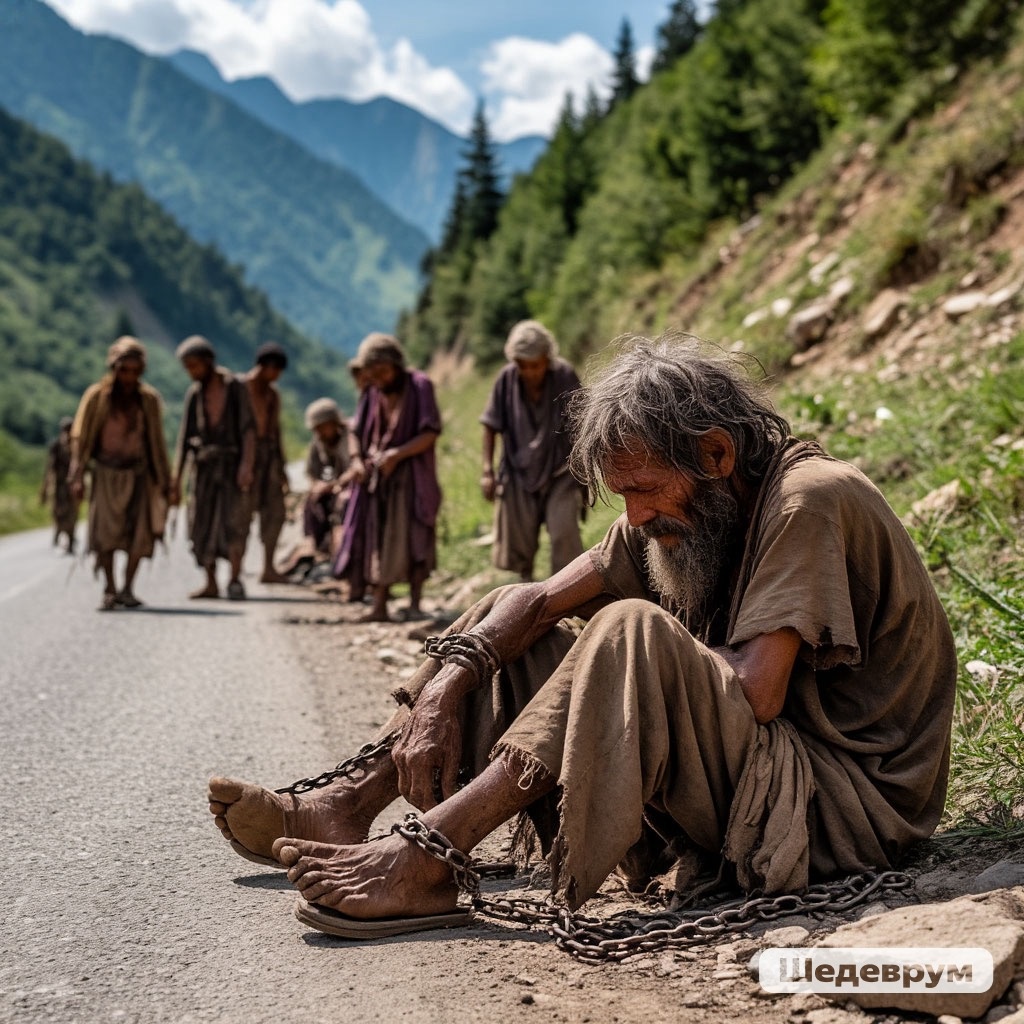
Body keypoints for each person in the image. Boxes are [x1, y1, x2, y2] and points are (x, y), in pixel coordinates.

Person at [207, 334, 956, 940]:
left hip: (840, 807)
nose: (632, 517)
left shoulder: (807, 501)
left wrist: (615, 673)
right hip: (755, 770)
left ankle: (430, 856)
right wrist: (446, 687)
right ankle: (348, 801)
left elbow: (756, 692)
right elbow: (534, 602)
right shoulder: (688, 511)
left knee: (628, 631)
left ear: (717, 455)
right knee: (508, 618)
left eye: (641, 490)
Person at [333, 333, 442, 622]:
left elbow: (430, 432)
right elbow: (355, 433)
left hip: (412, 477)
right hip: (378, 480)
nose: (378, 379)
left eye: (382, 372)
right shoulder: (371, 392)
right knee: (377, 537)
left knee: (415, 536)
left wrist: (397, 455)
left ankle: (415, 603)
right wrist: (357, 461)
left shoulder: (420, 386)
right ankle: (379, 606)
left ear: (396, 364)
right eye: (373, 374)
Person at [68, 337, 171, 610]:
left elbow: (157, 443)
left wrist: (165, 481)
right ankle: (110, 588)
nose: (129, 377)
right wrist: (76, 476)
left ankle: (128, 588)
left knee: (140, 535)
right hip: (105, 475)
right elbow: (81, 438)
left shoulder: (148, 400)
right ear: (113, 367)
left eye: (135, 371)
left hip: (139, 476)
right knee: (104, 536)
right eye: (124, 370)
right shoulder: (96, 397)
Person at [480, 320, 584, 581]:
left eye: (535, 365)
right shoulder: (506, 379)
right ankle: (525, 589)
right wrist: (487, 471)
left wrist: (584, 469)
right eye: (522, 365)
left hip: (561, 470)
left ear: (547, 358)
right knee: (521, 539)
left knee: (564, 533)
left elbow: (583, 422)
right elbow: (490, 425)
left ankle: (566, 595)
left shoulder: (564, 376)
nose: (529, 372)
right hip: (518, 470)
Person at [171, 335, 256, 600]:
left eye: (195, 366)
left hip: (231, 467)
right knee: (202, 524)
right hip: (204, 471)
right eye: (188, 367)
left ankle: (234, 579)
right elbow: (184, 438)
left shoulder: (235, 388)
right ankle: (210, 582)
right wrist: (176, 479)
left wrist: (246, 465)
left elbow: (248, 429)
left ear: (208, 362)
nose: (192, 372)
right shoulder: (195, 394)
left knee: (235, 523)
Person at [243, 342, 290, 584]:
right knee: (240, 515)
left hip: (268, 460)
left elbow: (276, 431)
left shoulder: (273, 395)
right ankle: (234, 569)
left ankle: (268, 567)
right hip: (244, 460)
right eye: (275, 371)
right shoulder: (240, 390)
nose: (276, 376)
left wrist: (281, 467)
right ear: (264, 367)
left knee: (275, 513)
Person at [301, 397, 361, 559]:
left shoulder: (349, 437)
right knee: (312, 503)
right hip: (331, 489)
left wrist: (334, 484)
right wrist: (318, 486)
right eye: (316, 429)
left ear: (334, 422)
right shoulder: (318, 443)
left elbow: (354, 468)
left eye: (323, 427)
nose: (319, 433)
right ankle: (319, 549)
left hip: (351, 489)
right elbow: (312, 472)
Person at [40, 416, 79, 554]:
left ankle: (70, 540)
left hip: (71, 487)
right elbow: (50, 467)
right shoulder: (56, 446)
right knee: (58, 512)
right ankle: (58, 534)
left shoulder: (76, 446)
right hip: (58, 486)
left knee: (72, 514)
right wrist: (44, 488)